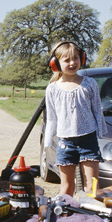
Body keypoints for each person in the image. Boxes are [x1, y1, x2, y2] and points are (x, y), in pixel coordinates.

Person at [43, 41, 107, 196]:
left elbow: (97, 110)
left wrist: (101, 133)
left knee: (92, 188)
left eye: (75, 58)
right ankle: (66, 210)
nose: (72, 63)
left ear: (82, 59)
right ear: (55, 63)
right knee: (67, 188)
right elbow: (52, 118)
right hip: (65, 142)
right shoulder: (52, 89)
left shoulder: (90, 84)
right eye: (67, 60)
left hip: (88, 140)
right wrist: (47, 142)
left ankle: (91, 211)